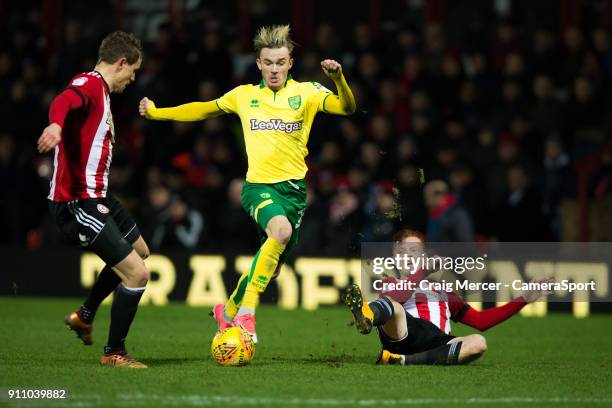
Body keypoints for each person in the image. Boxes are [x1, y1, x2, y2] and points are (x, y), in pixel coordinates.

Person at [139, 25, 356, 342]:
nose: (274, 69)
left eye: (280, 62)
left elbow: (347, 107)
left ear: (290, 63)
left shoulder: (308, 93)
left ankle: (226, 311)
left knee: (268, 269)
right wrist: (158, 113)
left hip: (294, 195)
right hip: (258, 188)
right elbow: (203, 110)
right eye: (268, 62)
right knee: (279, 232)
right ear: (258, 64)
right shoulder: (244, 96)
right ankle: (247, 314)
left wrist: (338, 80)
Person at [37, 31, 149, 368]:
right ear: (121, 62)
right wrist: (56, 126)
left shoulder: (99, 89)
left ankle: (85, 314)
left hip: (98, 195)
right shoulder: (89, 84)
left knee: (141, 251)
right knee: (137, 274)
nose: (133, 79)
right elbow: (63, 101)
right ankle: (114, 352)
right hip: (76, 202)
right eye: (134, 71)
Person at [344, 229, 550, 365]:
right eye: (402, 251)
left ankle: (401, 360)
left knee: (478, 343)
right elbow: (398, 297)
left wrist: (524, 299)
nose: (408, 255)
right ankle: (367, 316)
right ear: (395, 257)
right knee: (393, 306)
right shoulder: (390, 283)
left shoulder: (444, 292)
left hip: (437, 342)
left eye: (414, 250)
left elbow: (480, 321)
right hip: (404, 333)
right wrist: (423, 272)